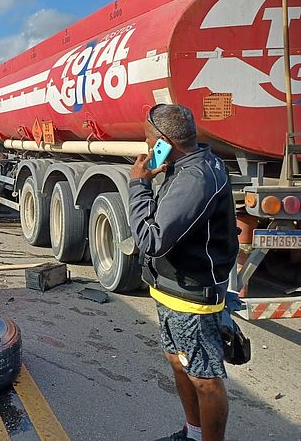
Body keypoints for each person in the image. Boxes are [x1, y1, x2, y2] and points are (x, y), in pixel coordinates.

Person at [128, 104, 238, 441]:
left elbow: (151, 240)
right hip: (172, 287)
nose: (147, 149)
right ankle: (192, 433)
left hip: (191, 297)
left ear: (164, 140)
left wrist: (138, 186)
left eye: (149, 140)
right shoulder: (184, 164)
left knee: (204, 379)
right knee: (179, 362)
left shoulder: (195, 178)